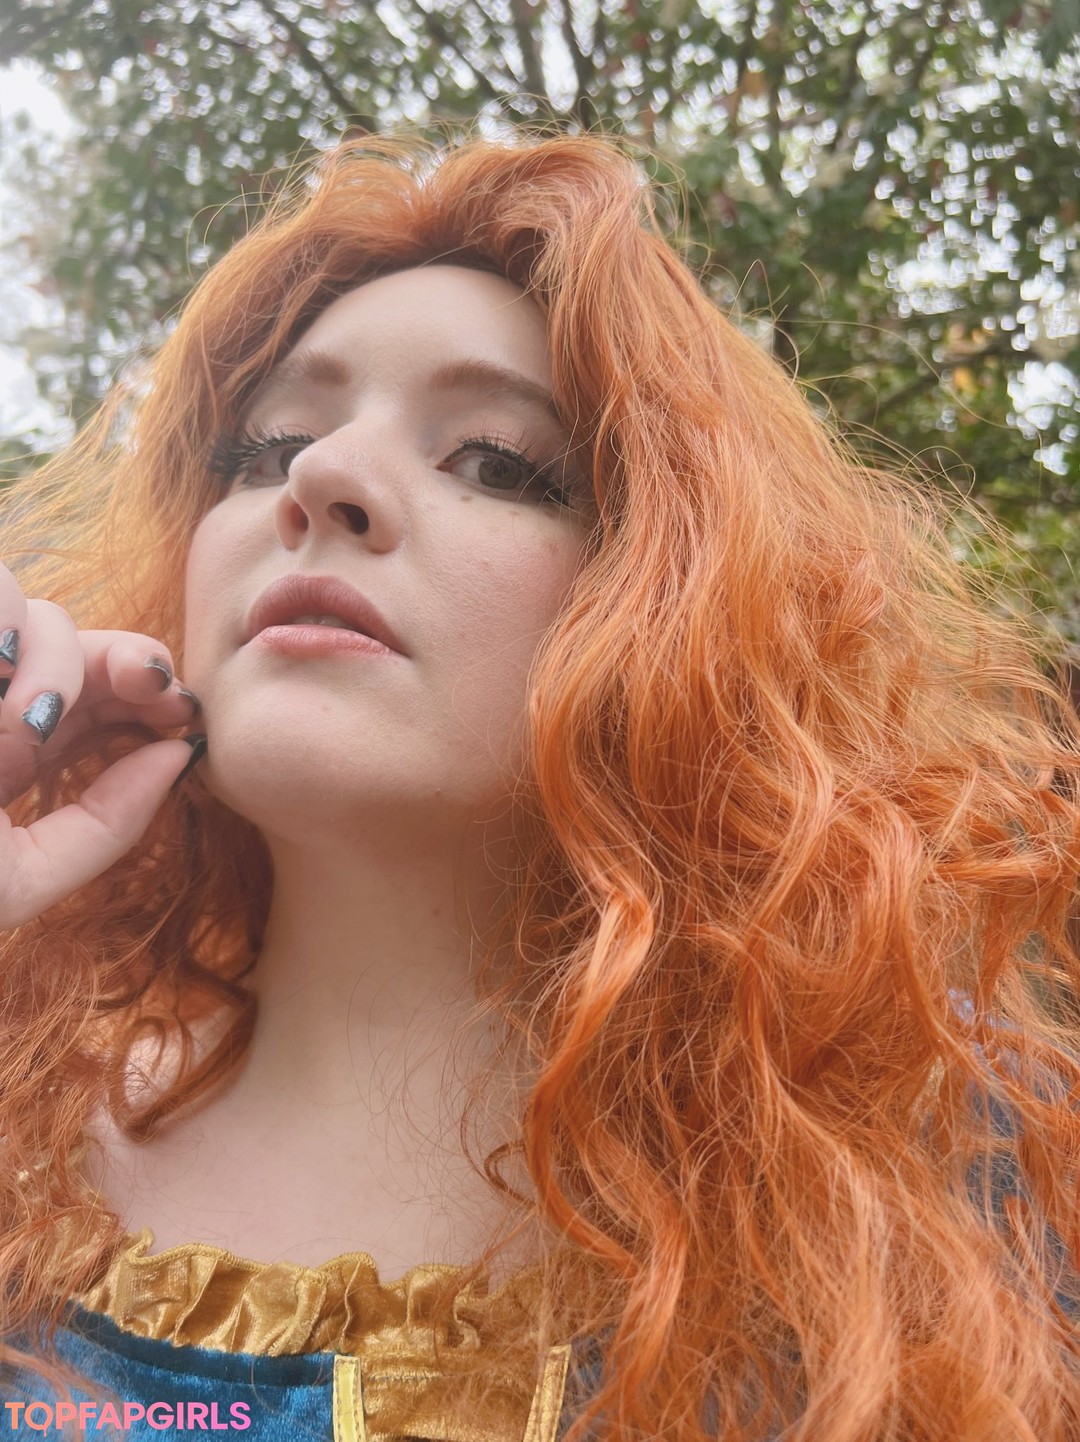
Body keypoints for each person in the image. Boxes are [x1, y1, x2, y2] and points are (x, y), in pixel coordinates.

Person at [2, 124, 1080, 1442]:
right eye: (267, 445)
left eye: (498, 462)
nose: (321, 478)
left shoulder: (945, 1170)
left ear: (671, 612)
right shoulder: (15, 1138)